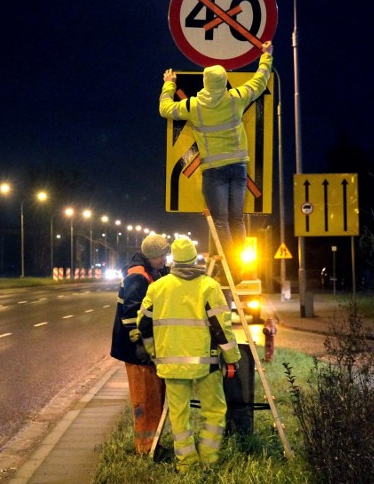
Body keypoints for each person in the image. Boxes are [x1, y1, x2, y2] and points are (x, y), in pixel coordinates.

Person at [158, 42, 273, 281]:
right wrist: (265, 57)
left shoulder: (194, 106)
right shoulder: (236, 98)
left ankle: (231, 269)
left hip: (213, 171)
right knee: (237, 219)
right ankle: (238, 266)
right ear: (224, 81)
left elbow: (165, 108)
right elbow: (260, 82)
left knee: (220, 222)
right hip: (239, 167)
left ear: (205, 83)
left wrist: (169, 84)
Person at [137, 237, 240, 472]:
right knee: (214, 411)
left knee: (179, 415)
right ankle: (209, 459)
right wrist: (232, 358)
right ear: (195, 258)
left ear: (173, 260)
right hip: (208, 363)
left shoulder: (158, 287)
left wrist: (155, 353)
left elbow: (143, 324)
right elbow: (221, 329)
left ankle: (186, 463)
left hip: (171, 364)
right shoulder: (209, 286)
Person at [109, 233, 170, 454]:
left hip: (143, 348)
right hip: (136, 350)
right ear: (152, 256)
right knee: (145, 398)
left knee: (154, 396)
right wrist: (140, 343)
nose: (165, 260)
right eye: (162, 256)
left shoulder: (150, 272)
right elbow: (131, 315)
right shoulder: (138, 276)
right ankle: (145, 448)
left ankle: (152, 444)